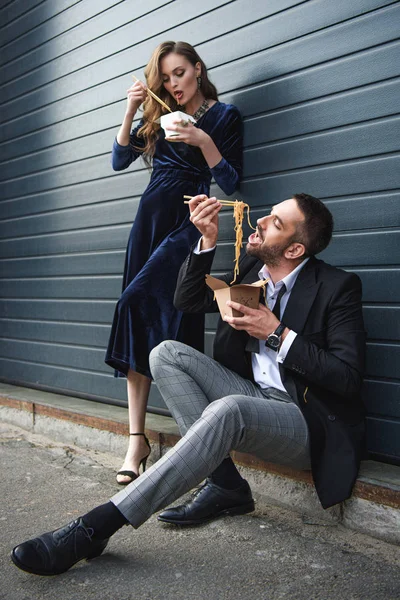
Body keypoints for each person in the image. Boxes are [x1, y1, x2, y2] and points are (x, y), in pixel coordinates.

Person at [11, 193, 366, 576]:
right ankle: (226, 483)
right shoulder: (251, 267)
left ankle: (97, 526)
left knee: (227, 410)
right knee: (165, 353)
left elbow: (346, 378)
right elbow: (188, 300)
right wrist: (207, 240)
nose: (260, 221)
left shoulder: (337, 287)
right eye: (269, 214)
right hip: (253, 396)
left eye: (276, 223)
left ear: (295, 248)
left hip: (304, 420)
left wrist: (276, 332)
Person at [104, 41, 242, 485]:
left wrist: (203, 140)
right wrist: (131, 109)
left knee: (137, 303)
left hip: (188, 220)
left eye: (179, 73)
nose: (173, 84)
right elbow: (119, 159)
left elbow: (233, 180)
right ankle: (136, 440)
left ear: (198, 70)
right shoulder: (160, 113)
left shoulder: (225, 117)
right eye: (165, 77)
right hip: (147, 222)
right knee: (147, 315)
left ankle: (200, 442)